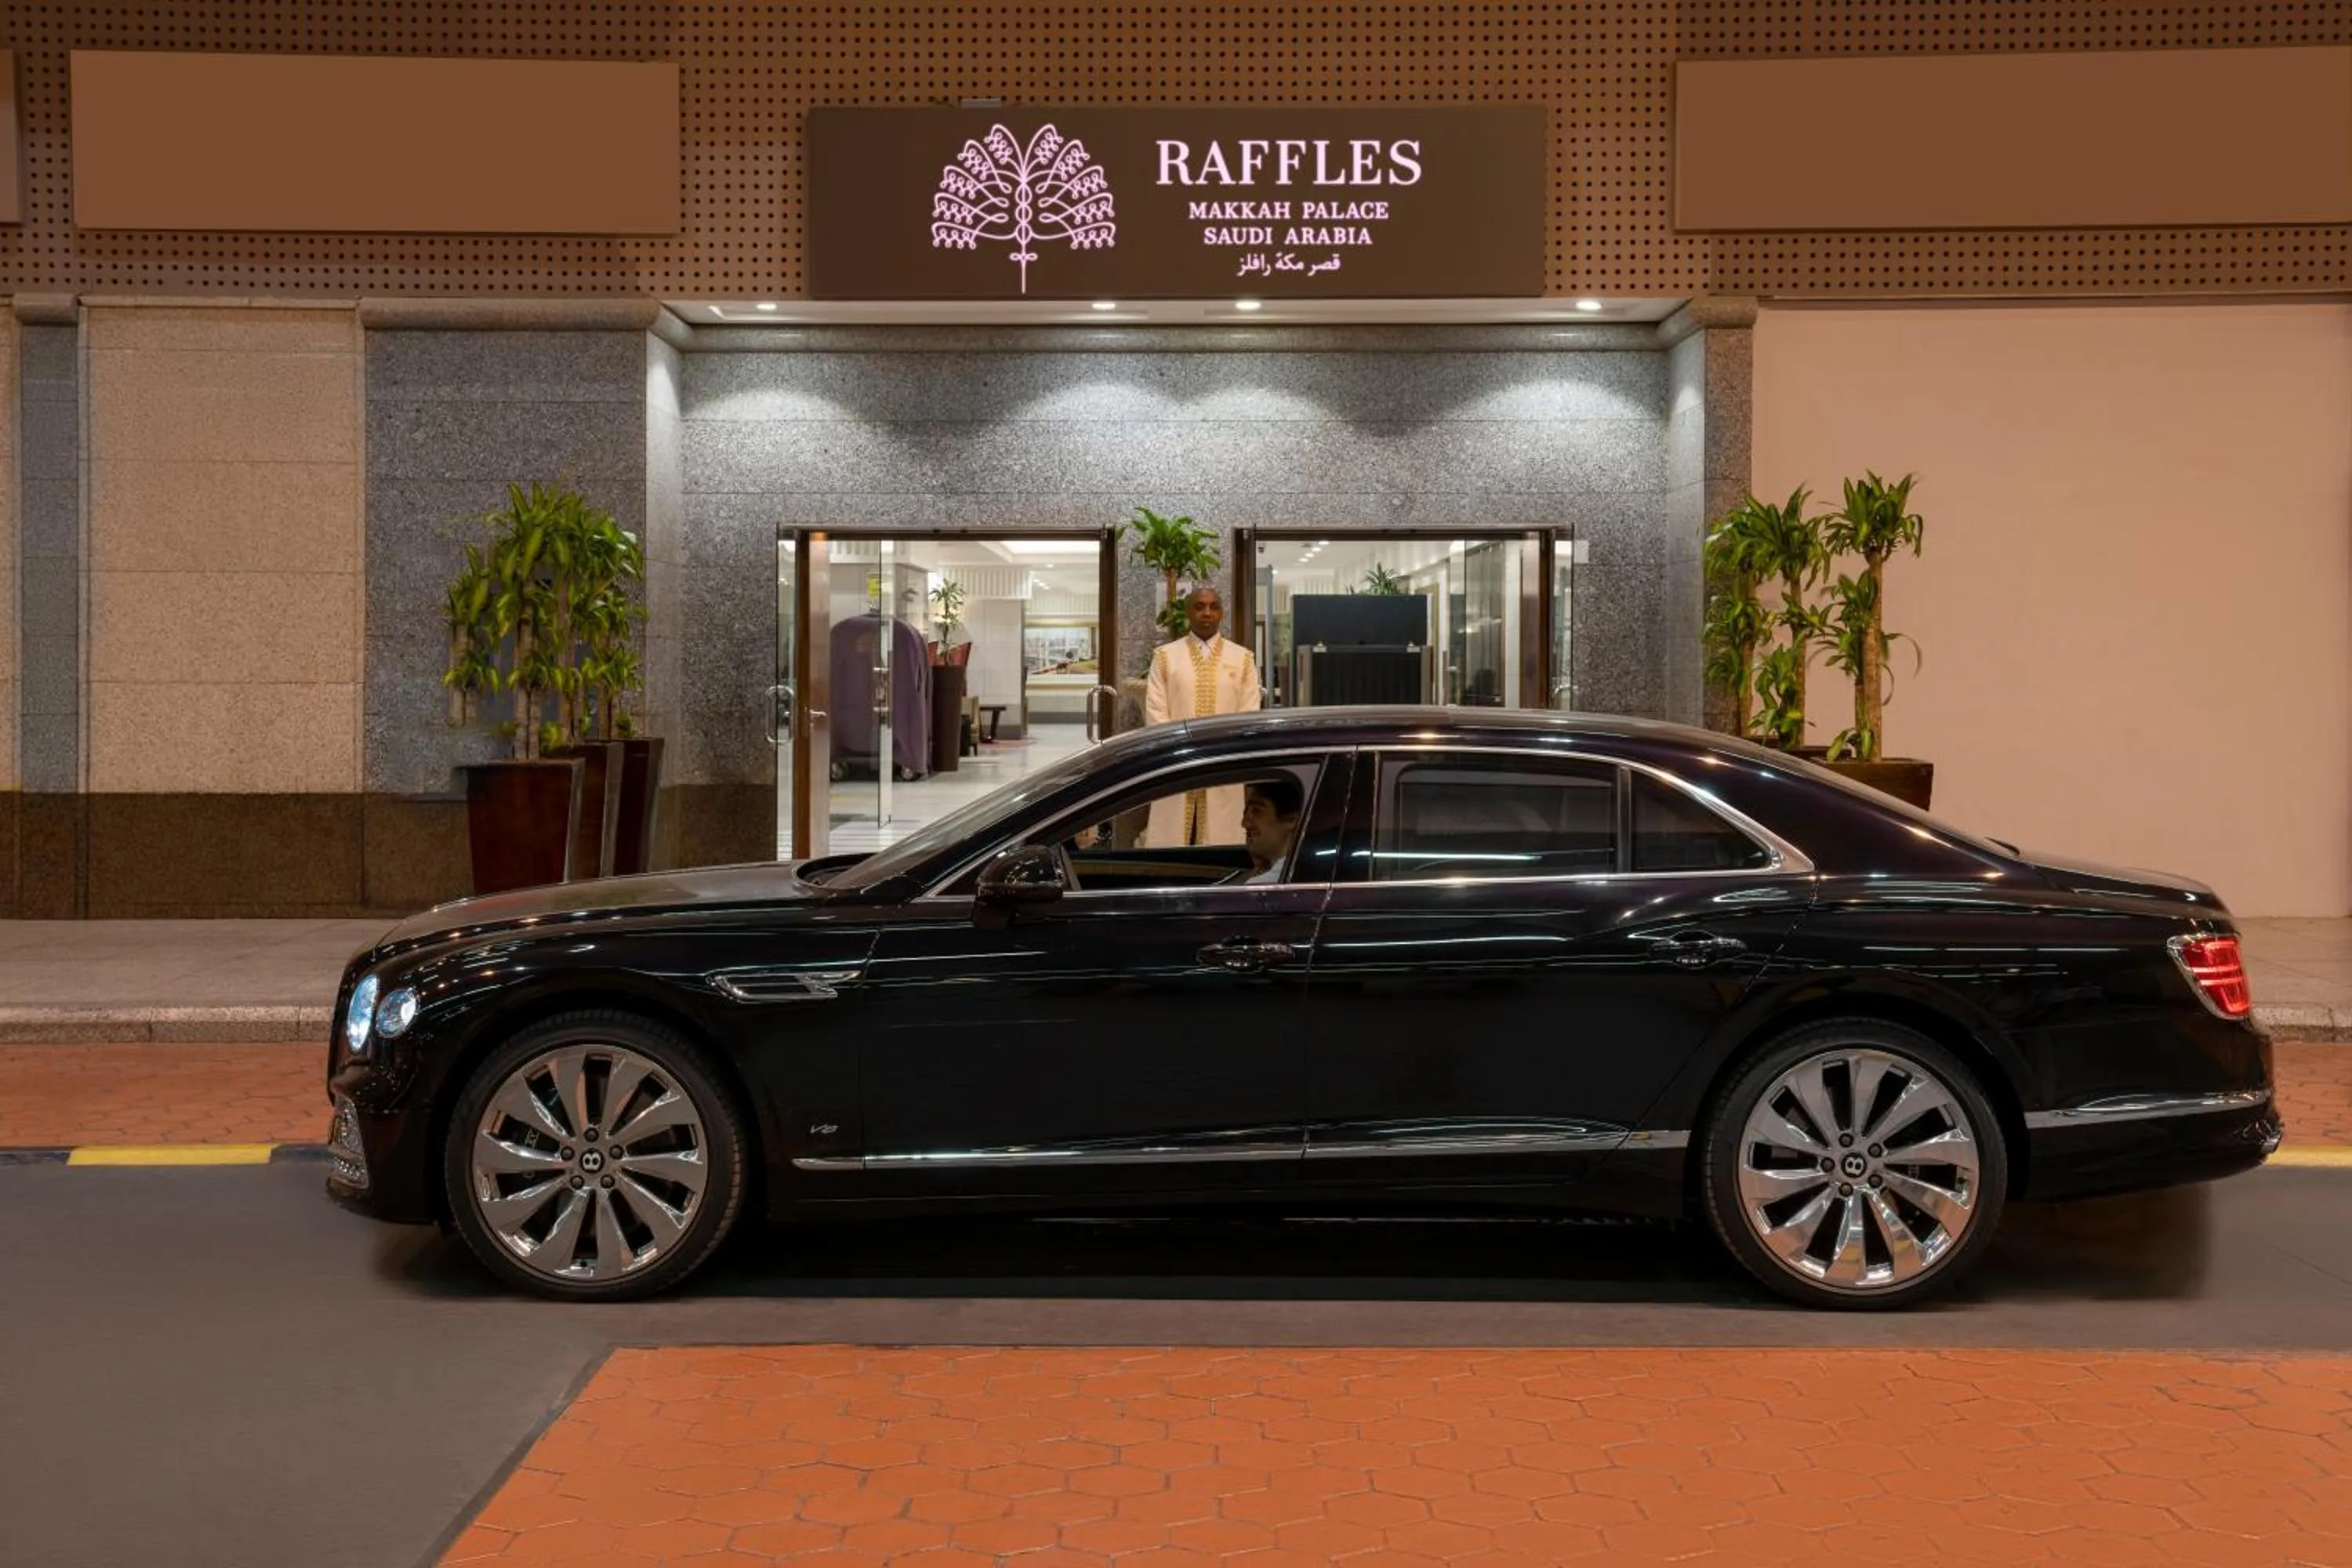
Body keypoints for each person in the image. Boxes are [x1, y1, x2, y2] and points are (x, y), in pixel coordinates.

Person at [1141, 585, 1261, 847]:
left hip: (1223, 765)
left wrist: (1218, 755)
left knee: (1222, 842)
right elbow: (1156, 712)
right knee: (1171, 838)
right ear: (1187, 612)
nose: (1207, 613)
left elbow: (1248, 716)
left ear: (1221, 613)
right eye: (1199, 606)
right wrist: (1182, 754)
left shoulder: (1242, 659)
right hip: (1176, 764)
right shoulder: (1166, 657)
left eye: (1214, 607)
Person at [1233, 774, 1305, 884]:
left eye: (1257, 811)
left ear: (1291, 820)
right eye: (1246, 812)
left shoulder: (1263, 885)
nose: (1245, 823)